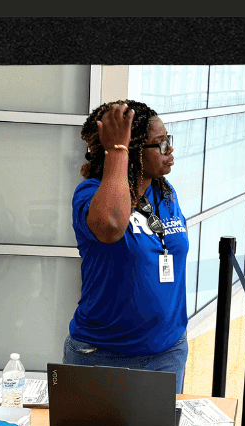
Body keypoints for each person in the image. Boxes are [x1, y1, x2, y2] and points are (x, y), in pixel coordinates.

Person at [63, 100, 191, 393]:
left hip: (166, 354)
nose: (169, 151)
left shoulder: (165, 194)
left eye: (168, 141)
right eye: (159, 145)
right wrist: (116, 151)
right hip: (102, 355)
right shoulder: (90, 194)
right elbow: (110, 225)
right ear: (132, 152)